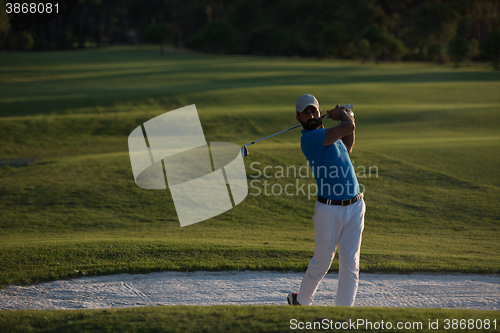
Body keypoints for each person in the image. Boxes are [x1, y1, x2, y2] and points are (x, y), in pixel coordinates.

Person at [287, 94, 366, 307]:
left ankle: (343, 315)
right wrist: (343, 116)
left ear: (319, 112)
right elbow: (347, 128)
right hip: (329, 211)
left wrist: (349, 119)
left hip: (356, 206)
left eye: (314, 111)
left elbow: (347, 146)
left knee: (350, 265)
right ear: (299, 118)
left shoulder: (328, 135)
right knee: (322, 263)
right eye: (306, 113)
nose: (311, 115)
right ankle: (302, 300)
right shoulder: (310, 139)